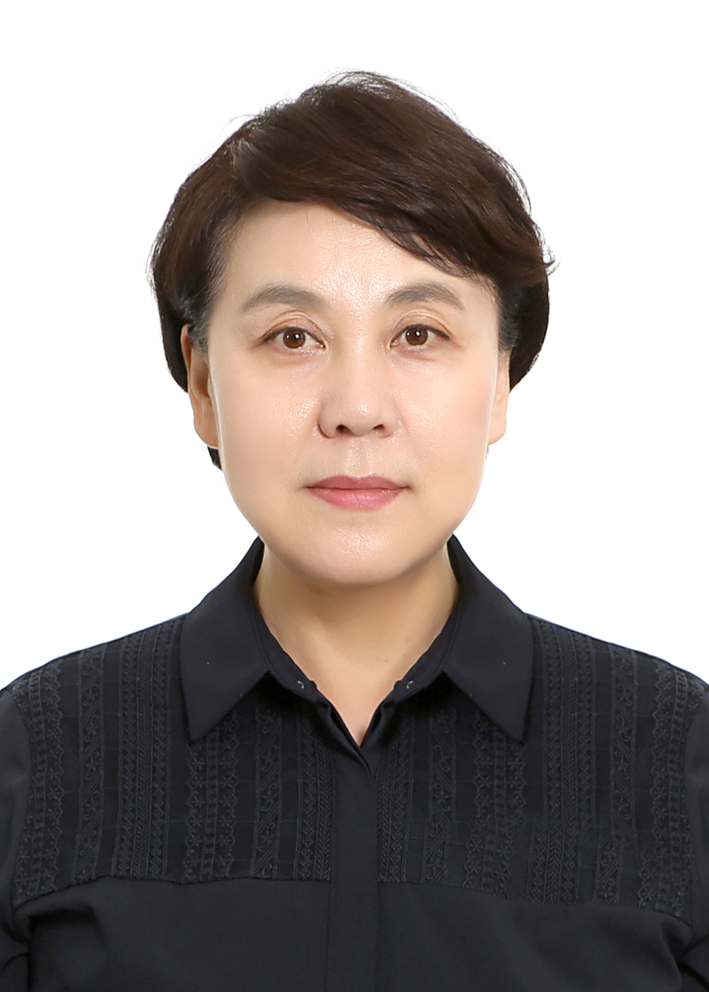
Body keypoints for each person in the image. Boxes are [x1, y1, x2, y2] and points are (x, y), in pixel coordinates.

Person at [0, 71, 707, 992]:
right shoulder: (38, 759)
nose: (357, 408)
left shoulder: (676, 760)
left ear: (499, 381)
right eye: (292, 337)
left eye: (418, 334)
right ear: (203, 385)